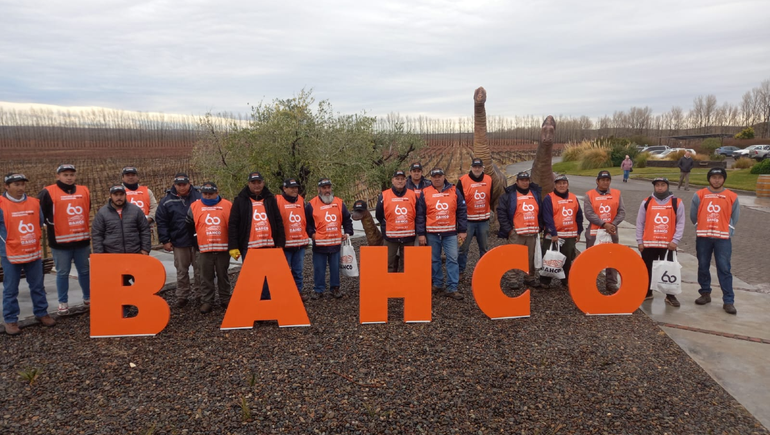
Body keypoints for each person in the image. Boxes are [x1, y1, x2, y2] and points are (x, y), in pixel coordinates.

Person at [1, 173, 55, 335]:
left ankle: (41, 313)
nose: (20, 188)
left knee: (37, 286)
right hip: (11, 254)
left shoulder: (33, 203)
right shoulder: (1, 204)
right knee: (11, 289)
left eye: (22, 184)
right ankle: (10, 320)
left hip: (33, 252)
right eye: (16, 185)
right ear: (7, 186)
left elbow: (39, 223)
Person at [38, 164, 91, 315]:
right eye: (65, 175)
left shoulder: (84, 190)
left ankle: (88, 298)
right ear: (58, 176)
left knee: (85, 271)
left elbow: (87, 209)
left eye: (71, 175)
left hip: (81, 240)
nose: (69, 178)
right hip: (60, 242)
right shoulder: (48, 192)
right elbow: (40, 214)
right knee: (62, 272)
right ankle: (63, 302)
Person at [228, 171, 285, 300]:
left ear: (263, 183)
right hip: (249, 248)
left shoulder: (270, 199)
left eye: (259, 182)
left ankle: (267, 302)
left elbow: (278, 221)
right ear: (248, 184)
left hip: (269, 246)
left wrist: (281, 242)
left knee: (269, 276)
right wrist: (233, 246)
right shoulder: (240, 200)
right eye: (253, 183)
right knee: (251, 276)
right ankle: (253, 302)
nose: (256, 185)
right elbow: (233, 224)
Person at [691, 168, 740, 314]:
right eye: (713, 177)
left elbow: (735, 217)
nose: (716, 180)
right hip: (703, 237)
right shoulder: (699, 195)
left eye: (719, 177)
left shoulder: (731, 196)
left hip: (722, 238)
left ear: (723, 179)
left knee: (724, 268)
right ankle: (705, 293)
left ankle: (728, 300)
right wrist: (700, 226)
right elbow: (693, 215)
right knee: (703, 266)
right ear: (709, 179)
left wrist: (728, 229)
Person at [415, 167, 467, 300]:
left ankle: (452, 287)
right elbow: (420, 215)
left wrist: (462, 230)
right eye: (434, 176)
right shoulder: (425, 192)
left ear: (444, 176)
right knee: (434, 259)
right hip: (432, 233)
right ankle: (437, 284)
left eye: (439, 176)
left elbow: (461, 211)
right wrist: (421, 234)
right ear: (431, 178)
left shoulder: (454, 190)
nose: (437, 178)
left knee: (452, 259)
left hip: (450, 233)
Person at [636, 178, 685, 307]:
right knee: (647, 269)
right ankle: (647, 292)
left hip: (668, 245)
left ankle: (670, 295)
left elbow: (680, 223)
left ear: (667, 186)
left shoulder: (677, 202)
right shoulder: (646, 202)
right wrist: (640, 241)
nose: (660, 187)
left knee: (669, 270)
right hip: (649, 243)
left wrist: (675, 240)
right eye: (657, 185)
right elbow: (640, 223)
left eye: (663, 185)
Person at [156, 173, 202, 308]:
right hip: (179, 241)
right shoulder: (166, 201)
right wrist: (165, 240)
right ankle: (182, 296)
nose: (182, 187)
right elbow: (162, 221)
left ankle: (201, 295)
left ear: (189, 184)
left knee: (200, 270)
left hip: (197, 241)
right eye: (179, 185)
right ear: (175, 185)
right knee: (182, 271)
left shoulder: (199, 198)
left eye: (184, 184)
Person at [186, 182, 233, 314]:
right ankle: (207, 301)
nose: (208, 196)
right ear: (202, 193)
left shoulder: (227, 205)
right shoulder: (194, 206)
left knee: (223, 275)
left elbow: (234, 225)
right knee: (205, 276)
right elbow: (188, 225)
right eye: (205, 193)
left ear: (217, 193)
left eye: (211, 193)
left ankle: (225, 298)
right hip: (203, 248)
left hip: (223, 247)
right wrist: (196, 241)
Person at [305, 178, 353, 299]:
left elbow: (347, 219)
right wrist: (312, 234)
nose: (327, 190)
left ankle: (335, 288)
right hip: (319, 244)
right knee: (319, 268)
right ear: (319, 189)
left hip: (335, 243)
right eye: (324, 188)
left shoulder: (339, 203)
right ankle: (318, 289)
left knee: (335, 268)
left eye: (328, 187)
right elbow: (307, 223)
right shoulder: (311, 204)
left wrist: (348, 232)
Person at [496, 171, 542, 289]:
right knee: (513, 256)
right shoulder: (509, 195)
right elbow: (501, 212)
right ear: (517, 181)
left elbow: (540, 211)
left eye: (527, 180)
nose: (525, 182)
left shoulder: (535, 193)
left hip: (532, 232)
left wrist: (540, 226)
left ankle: (529, 278)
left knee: (530, 256)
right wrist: (508, 230)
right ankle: (512, 279)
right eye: (522, 180)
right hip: (516, 232)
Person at [584, 170, 626, 291]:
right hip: (594, 232)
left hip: (611, 232)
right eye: (602, 180)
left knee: (611, 258)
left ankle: (611, 283)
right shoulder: (590, 195)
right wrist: (603, 224)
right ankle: (590, 281)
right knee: (592, 258)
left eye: (607, 180)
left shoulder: (617, 194)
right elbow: (589, 213)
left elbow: (622, 212)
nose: (605, 182)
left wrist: (612, 224)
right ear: (597, 181)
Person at [541, 174, 583, 288]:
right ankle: (545, 281)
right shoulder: (549, 198)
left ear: (567, 184)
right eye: (559, 183)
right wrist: (553, 233)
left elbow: (579, 216)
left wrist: (579, 232)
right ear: (555, 185)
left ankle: (566, 280)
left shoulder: (574, 198)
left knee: (567, 258)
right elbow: (547, 217)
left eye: (564, 183)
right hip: (553, 235)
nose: (562, 185)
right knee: (549, 257)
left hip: (570, 235)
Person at [456, 158, 492, 280]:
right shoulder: (462, 181)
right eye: (475, 167)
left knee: (484, 248)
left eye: (479, 167)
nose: (477, 169)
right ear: (471, 167)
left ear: (482, 168)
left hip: (484, 220)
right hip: (468, 221)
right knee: (463, 248)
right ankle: (460, 271)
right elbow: (458, 201)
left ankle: (484, 270)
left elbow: (490, 196)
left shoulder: (489, 179)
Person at [375, 170, 417, 272]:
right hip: (390, 237)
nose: (400, 181)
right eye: (397, 179)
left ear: (406, 181)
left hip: (408, 236)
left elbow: (418, 213)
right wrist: (386, 226)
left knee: (407, 264)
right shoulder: (384, 196)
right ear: (392, 180)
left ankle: (405, 285)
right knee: (388, 263)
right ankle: (388, 286)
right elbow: (379, 215)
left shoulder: (412, 195)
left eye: (402, 179)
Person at [276, 178, 310, 301]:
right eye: (292, 188)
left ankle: (297, 293)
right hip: (285, 244)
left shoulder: (301, 200)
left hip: (300, 243)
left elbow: (304, 219)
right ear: (284, 189)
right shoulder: (278, 200)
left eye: (296, 187)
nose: (295, 190)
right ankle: (283, 294)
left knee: (298, 271)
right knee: (283, 272)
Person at [92, 185, 151, 255]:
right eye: (116, 195)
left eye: (121, 194)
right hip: (112, 255)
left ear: (125, 195)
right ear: (110, 196)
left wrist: (145, 249)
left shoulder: (136, 210)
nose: (119, 197)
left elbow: (144, 230)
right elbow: (97, 235)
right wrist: (99, 254)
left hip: (134, 253)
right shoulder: (102, 213)